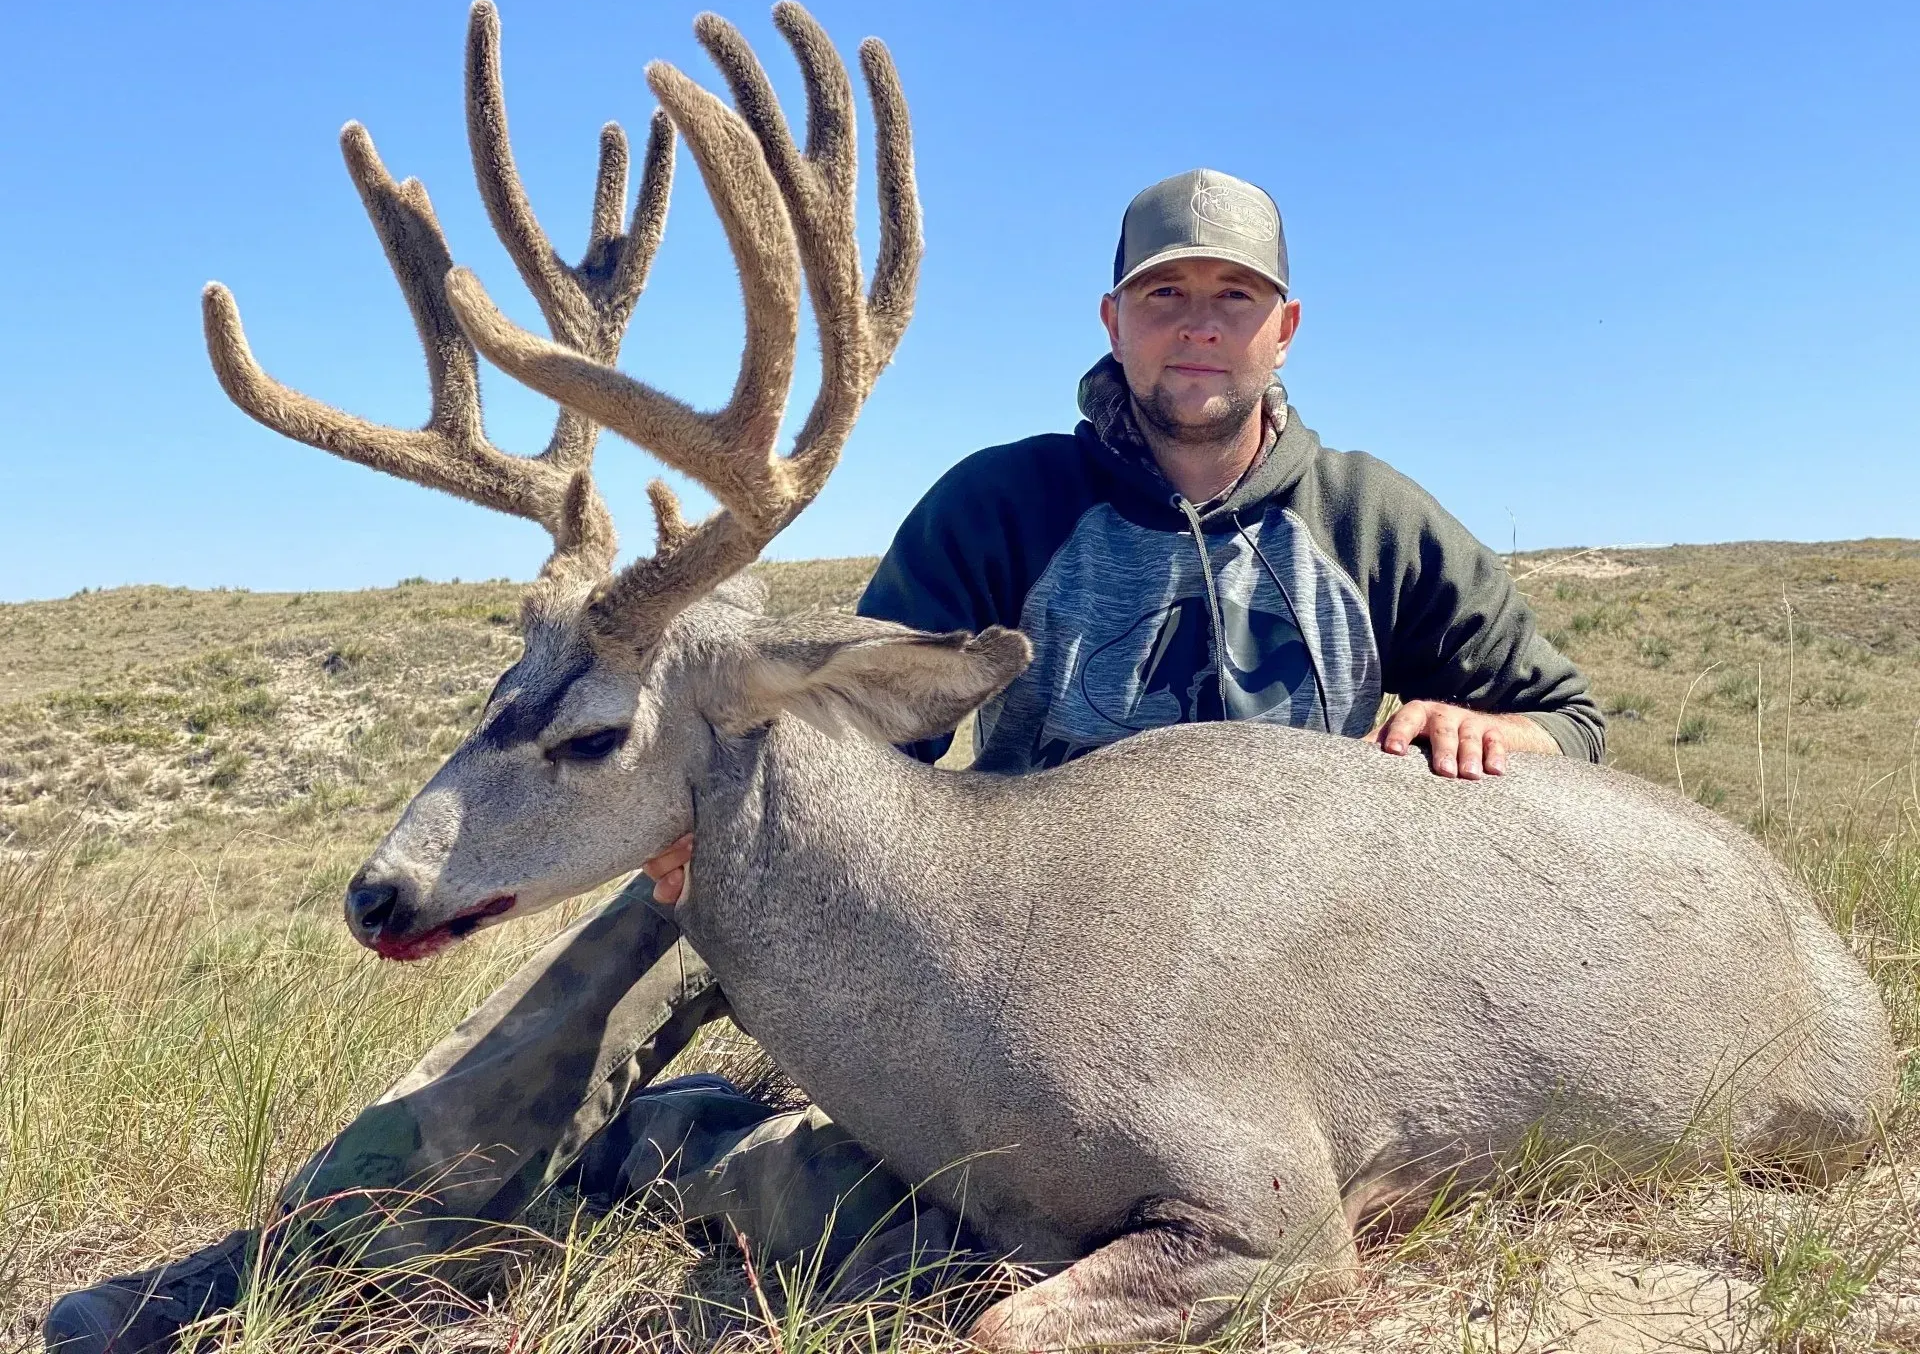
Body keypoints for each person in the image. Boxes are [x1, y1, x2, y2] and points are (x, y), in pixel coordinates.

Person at [46, 169, 1602, 1352]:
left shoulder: (1376, 522)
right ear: (1115, 318)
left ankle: (699, 1162)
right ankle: (275, 1266)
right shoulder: (1009, 501)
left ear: (1283, 325)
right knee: (633, 936)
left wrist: (1498, 727)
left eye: (1231, 300)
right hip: (992, 913)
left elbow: (1569, 723)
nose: (1199, 326)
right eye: (1166, 297)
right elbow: (873, 714)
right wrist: (688, 810)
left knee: (1018, 1199)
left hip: (1264, 956)